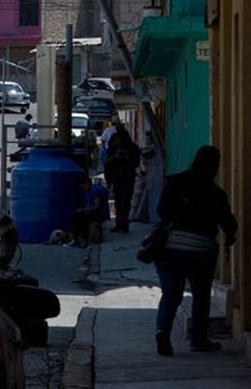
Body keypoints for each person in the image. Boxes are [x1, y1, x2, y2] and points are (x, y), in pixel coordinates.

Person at [153, 145, 238, 356]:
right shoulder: (216, 193)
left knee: (171, 293)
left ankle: (162, 330)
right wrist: (230, 237)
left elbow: (161, 211)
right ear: (215, 167)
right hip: (202, 249)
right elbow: (228, 222)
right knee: (201, 294)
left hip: (171, 247)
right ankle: (199, 339)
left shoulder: (175, 182)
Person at [102, 117, 141, 234]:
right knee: (121, 201)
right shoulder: (115, 146)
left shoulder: (131, 148)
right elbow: (107, 163)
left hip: (127, 176)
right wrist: (115, 159)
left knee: (124, 201)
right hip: (119, 177)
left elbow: (136, 162)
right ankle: (120, 222)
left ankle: (123, 223)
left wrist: (127, 158)